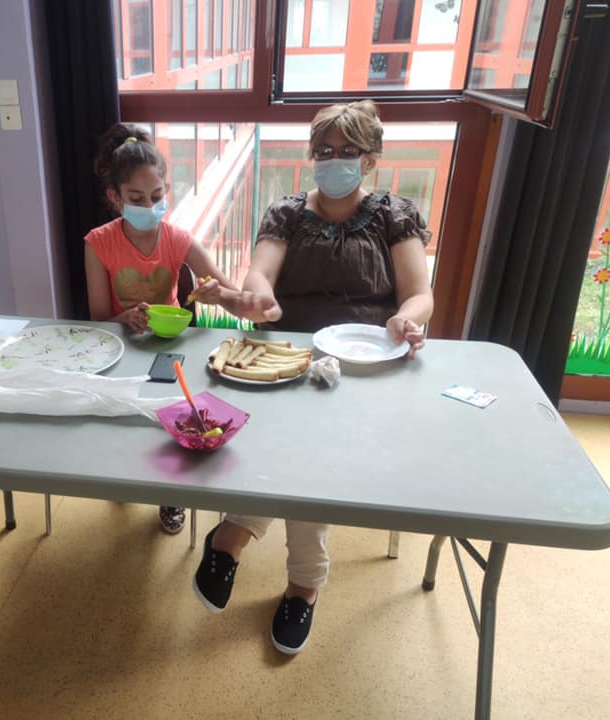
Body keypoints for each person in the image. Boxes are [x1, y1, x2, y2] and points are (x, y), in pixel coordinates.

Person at [189, 100, 433, 654]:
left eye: (348, 151)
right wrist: (259, 298)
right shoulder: (287, 212)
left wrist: (406, 320)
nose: (334, 160)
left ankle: (243, 540)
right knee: (299, 455)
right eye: (324, 150)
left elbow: (420, 293)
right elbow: (259, 274)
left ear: (370, 159)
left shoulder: (395, 214)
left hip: (367, 366)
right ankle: (301, 578)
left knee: (307, 460)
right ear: (311, 156)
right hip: (286, 361)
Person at [85, 122, 236, 534]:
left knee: (175, 414)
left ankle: (171, 494)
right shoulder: (98, 243)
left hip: (169, 348)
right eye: (136, 198)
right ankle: (126, 475)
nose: (149, 205)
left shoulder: (176, 238)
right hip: (122, 347)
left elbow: (230, 289)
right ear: (115, 197)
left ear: (167, 190)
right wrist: (124, 318)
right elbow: (98, 320)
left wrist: (216, 292)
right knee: (121, 418)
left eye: (157, 196)